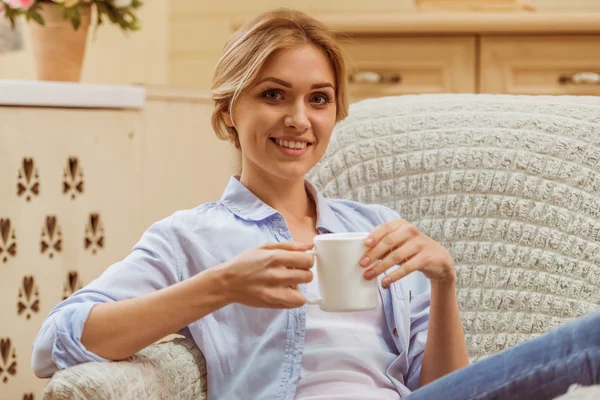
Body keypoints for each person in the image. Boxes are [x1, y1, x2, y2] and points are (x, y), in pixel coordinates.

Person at [32, 8, 600, 400]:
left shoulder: (375, 228)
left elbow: (444, 389)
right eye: (273, 94)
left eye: (319, 99)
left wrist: (444, 279)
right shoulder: (189, 237)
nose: (299, 119)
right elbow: (56, 342)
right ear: (230, 110)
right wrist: (221, 287)